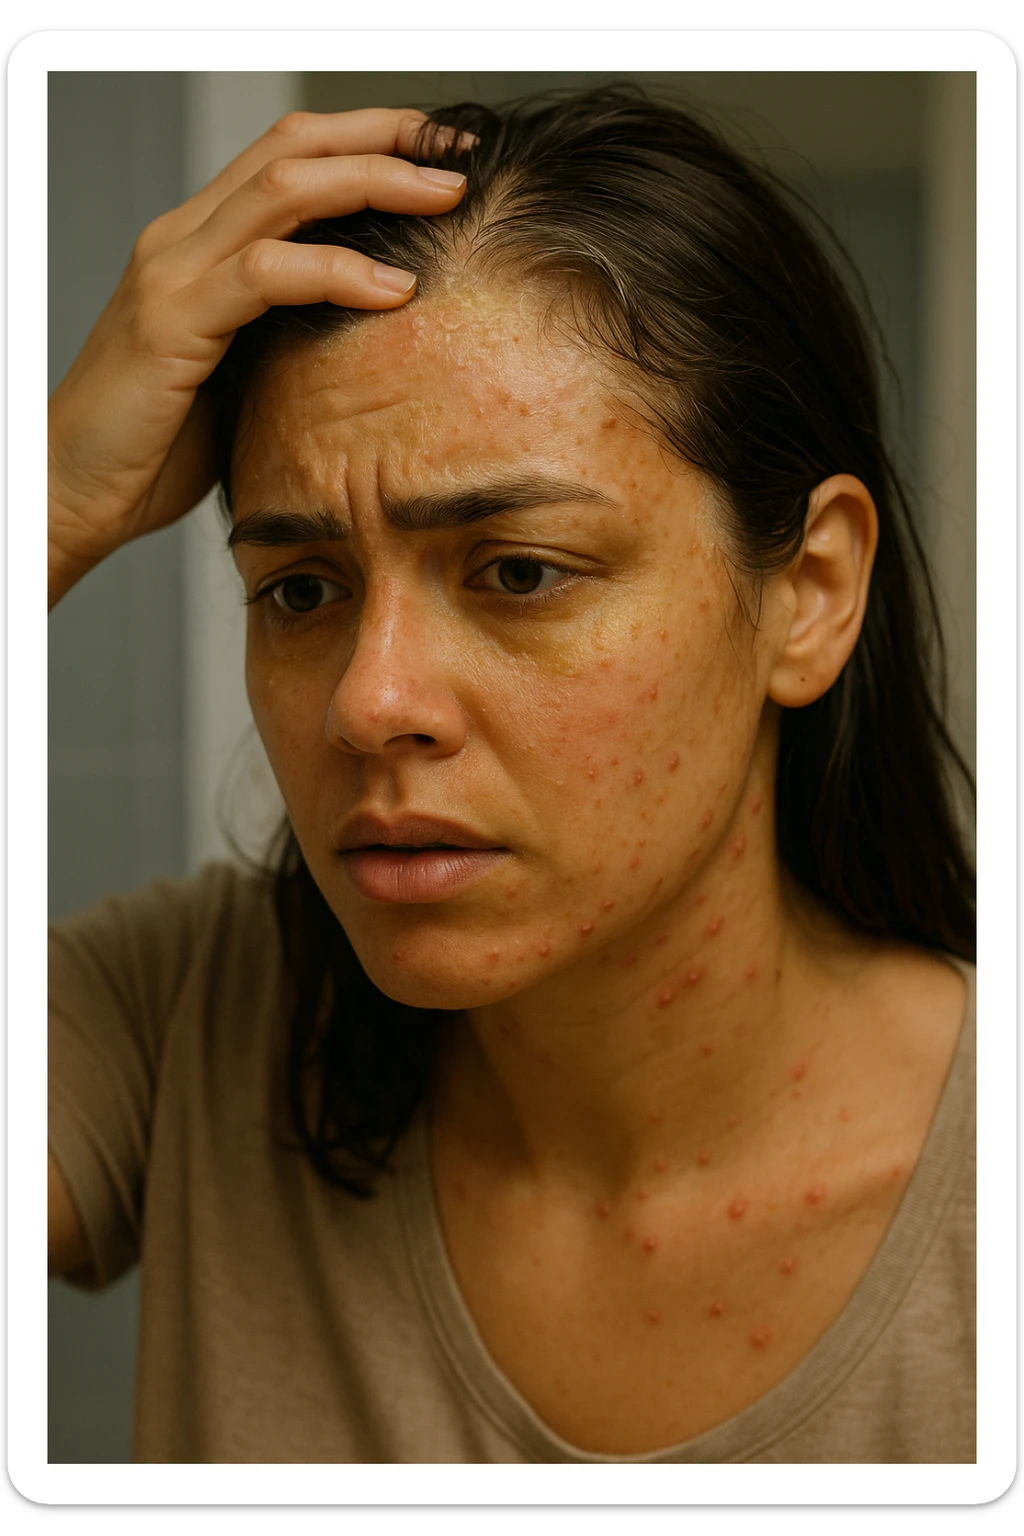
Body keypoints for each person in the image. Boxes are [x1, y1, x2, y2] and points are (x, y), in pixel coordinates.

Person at [48, 87, 976, 1464]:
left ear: (811, 593)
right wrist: (47, 497)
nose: (371, 704)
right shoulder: (189, 1026)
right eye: (300, 589)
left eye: (521, 572)